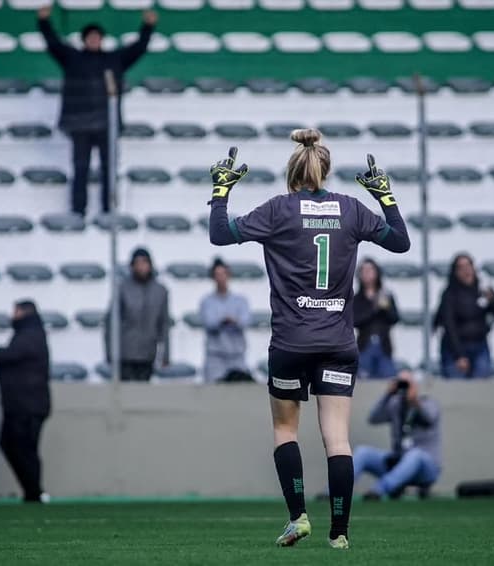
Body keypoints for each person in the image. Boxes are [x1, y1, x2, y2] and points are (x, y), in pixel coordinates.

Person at [208, 130, 410, 549]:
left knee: (285, 430)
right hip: (338, 340)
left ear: (292, 172)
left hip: (290, 341)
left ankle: (298, 517)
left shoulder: (279, 210)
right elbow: (400, 241)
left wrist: (221, 192)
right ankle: (340, 534)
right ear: (325, 169)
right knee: (337, 438)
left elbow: (220, 235)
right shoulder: (352, 209)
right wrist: (385, 197)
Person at [37, 5, 158, 216]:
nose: (94, 40)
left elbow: (139, 48)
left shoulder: (114, 59)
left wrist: (148, 26)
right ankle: (78, 210)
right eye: (90, 37)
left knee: (109, 170)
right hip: (80, 123)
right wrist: (44, 22)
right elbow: (53, 43)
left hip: (106, 124)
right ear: (84, 40)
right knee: (81, 168)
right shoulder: (72, 58)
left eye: (97, 37)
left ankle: (108, 209)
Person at [0, 300, 51, 503]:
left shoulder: (29, 335)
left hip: (25, 405)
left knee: (21, 447)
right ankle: (33, 491)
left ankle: (34, 491)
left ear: (23, 313)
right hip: (26, 403)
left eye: (15, 312)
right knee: (23, 448)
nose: (13, 315)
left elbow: (9, 356)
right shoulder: (33, 334)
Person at [354, 369, 441, 500]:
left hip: (426, 468)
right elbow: (373, 419)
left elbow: (429, 418)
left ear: (415, 384)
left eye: (407, 383)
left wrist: (414, 402)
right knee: (363, 452)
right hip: (398, 461)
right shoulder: (395, 404)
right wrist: (387, 394)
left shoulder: (429, 403)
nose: (403, 386)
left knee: (415, 454)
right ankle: (334, 492)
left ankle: (378, 490)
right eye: (400, 382)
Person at [433, 253, 494, 379]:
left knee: (481, 390)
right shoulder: (449, 294)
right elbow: (449, 325)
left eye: (468, 266)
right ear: (455, 272)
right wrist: (459, 355)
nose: (466, 271)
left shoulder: (483, 289)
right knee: (457, 391)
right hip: (455, 347)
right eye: (461, 267)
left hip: (479, 345)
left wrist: (493, 299)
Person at [105, 247, 170, 382]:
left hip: (148, 354)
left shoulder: (161, 291)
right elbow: (111, 323)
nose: (141, 267)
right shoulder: (122, 289)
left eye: (144, 263)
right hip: (125, 354)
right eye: (137, 263)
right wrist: (110, 353)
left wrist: (165, 355)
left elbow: (163, 324)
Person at [200, 258, 253, 383]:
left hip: (237, 355)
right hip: (215, 356)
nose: (221, 278)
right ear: (213, 277)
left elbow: (245, 322)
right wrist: (223, 321)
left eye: (223, 274)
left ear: (228, 276)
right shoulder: (207, 301)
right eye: (217, 275)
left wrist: (234, 321)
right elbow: (209, 323)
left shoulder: (240, 300)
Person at [353, 259, 400, 379]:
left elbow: (394, 318)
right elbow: (355, 321)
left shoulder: (386, 295)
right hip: (364, 346)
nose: (367, 274)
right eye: (364, 270)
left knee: (388, 380)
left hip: (384, 346)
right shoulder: (357, 299)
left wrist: (386, 308)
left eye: (370, 270)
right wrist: (374, 309)